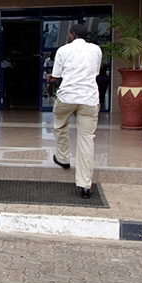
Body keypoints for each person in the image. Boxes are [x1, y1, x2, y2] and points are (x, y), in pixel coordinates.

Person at [45, 23, 103, 199]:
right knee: (86, 139)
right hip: (89, 99)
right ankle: (85, 185)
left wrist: (49, 78)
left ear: (72, 35)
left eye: (69, 34)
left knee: (60, 124)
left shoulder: (63, 50)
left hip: (67, 97)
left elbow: (56, 76)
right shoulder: (96, 50)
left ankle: (62, 158)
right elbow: (96, 71)